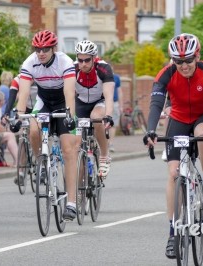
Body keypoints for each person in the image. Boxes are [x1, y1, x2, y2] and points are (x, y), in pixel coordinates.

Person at [143, 33, 203, 259]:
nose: (184, 65)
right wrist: (150, 130)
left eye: (188, 60)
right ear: (172, 61)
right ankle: (172, 232)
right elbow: (156, 104)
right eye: (178, 61)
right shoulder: (165, 75)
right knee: (173, 173)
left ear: (197, 56)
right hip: (178, 119)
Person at [11, 30, 78, 221]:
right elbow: (23, 94)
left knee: (68, 150)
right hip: (43, 101)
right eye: (38, 49)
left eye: (45, 49)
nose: (41, 53)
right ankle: (42, 163)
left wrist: (70, 115)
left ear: (53, 49)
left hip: (62, 102)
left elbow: (69, 93)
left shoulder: (64, 62)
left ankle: (71, 203)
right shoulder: (29, 62)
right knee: (32, 128)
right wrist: (18, 115)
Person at [74, 40, 114, 178]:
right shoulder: (73, 69)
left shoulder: (103, 68)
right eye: (80, 60)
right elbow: (67, 94)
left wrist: (108, 115)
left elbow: (109, 96)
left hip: (99, 101)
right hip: (80, 102)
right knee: (76, 146)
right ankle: (80, 192)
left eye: (87, 60)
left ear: (94, 57)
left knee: (96, 118)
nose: (83, 64)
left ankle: (104, 155)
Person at [109, 72, 122, 152]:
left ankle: (110, 143)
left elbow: (120, 91)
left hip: (114, 103)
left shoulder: (116, 77)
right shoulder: (101, 75)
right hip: (104, 102)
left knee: (113, 124)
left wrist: (121, 106)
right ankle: (107, 143)